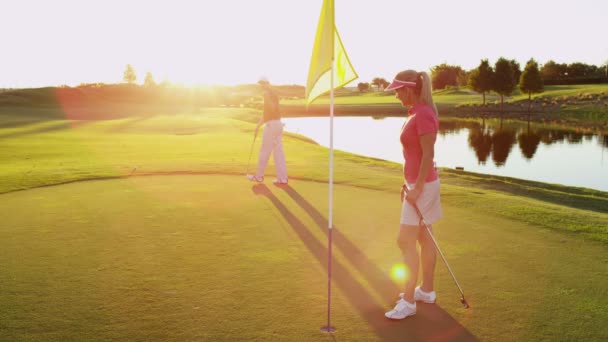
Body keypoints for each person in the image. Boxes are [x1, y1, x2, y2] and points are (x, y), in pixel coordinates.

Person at [383, 70, 443, 320]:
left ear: (409, 89)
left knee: (404, 241)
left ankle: (408, 302)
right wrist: (407, 183)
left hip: (423, 186)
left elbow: (428, 155)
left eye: (397, 90)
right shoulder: (416, 114)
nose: (395, 95)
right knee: (423, 237)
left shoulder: (424, 114)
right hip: (419, 183)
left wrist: (416, 187)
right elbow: (414, 155)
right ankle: (426, 291)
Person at [246, 77, 288, 184]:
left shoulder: (268, 94)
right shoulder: (272, 94)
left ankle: (259, 176)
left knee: (264, 151)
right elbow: (267, 113)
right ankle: (283, 179)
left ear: (268, 83)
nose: (262, 85)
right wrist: (258, 125)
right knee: (279, 153)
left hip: (272, 125)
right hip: (278, 124)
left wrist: (266, 96)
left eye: (264, 83)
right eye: (261, 84)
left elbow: (271, 110)